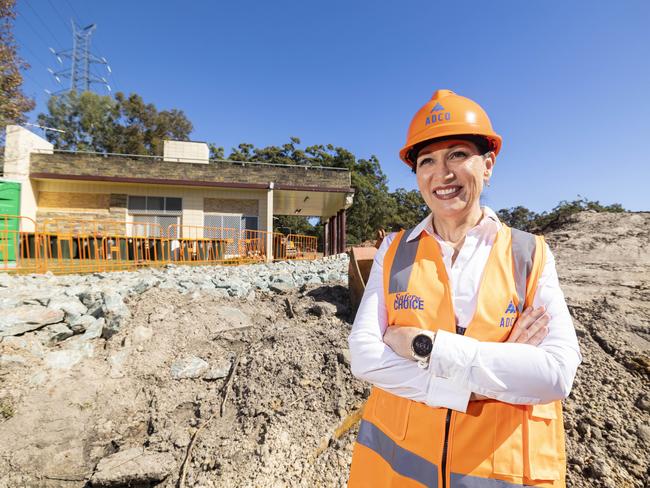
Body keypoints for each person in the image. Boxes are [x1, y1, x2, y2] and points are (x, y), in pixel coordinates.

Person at [347, 89, 582, 488]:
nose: (442, 173)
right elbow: (365, 358)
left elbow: (554, 375)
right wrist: (486, 375)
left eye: (457, 154)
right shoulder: (395, 250)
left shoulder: (530, 254)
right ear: (417, 174)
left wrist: (427, 346)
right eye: (427, 161)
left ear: (487, 164)